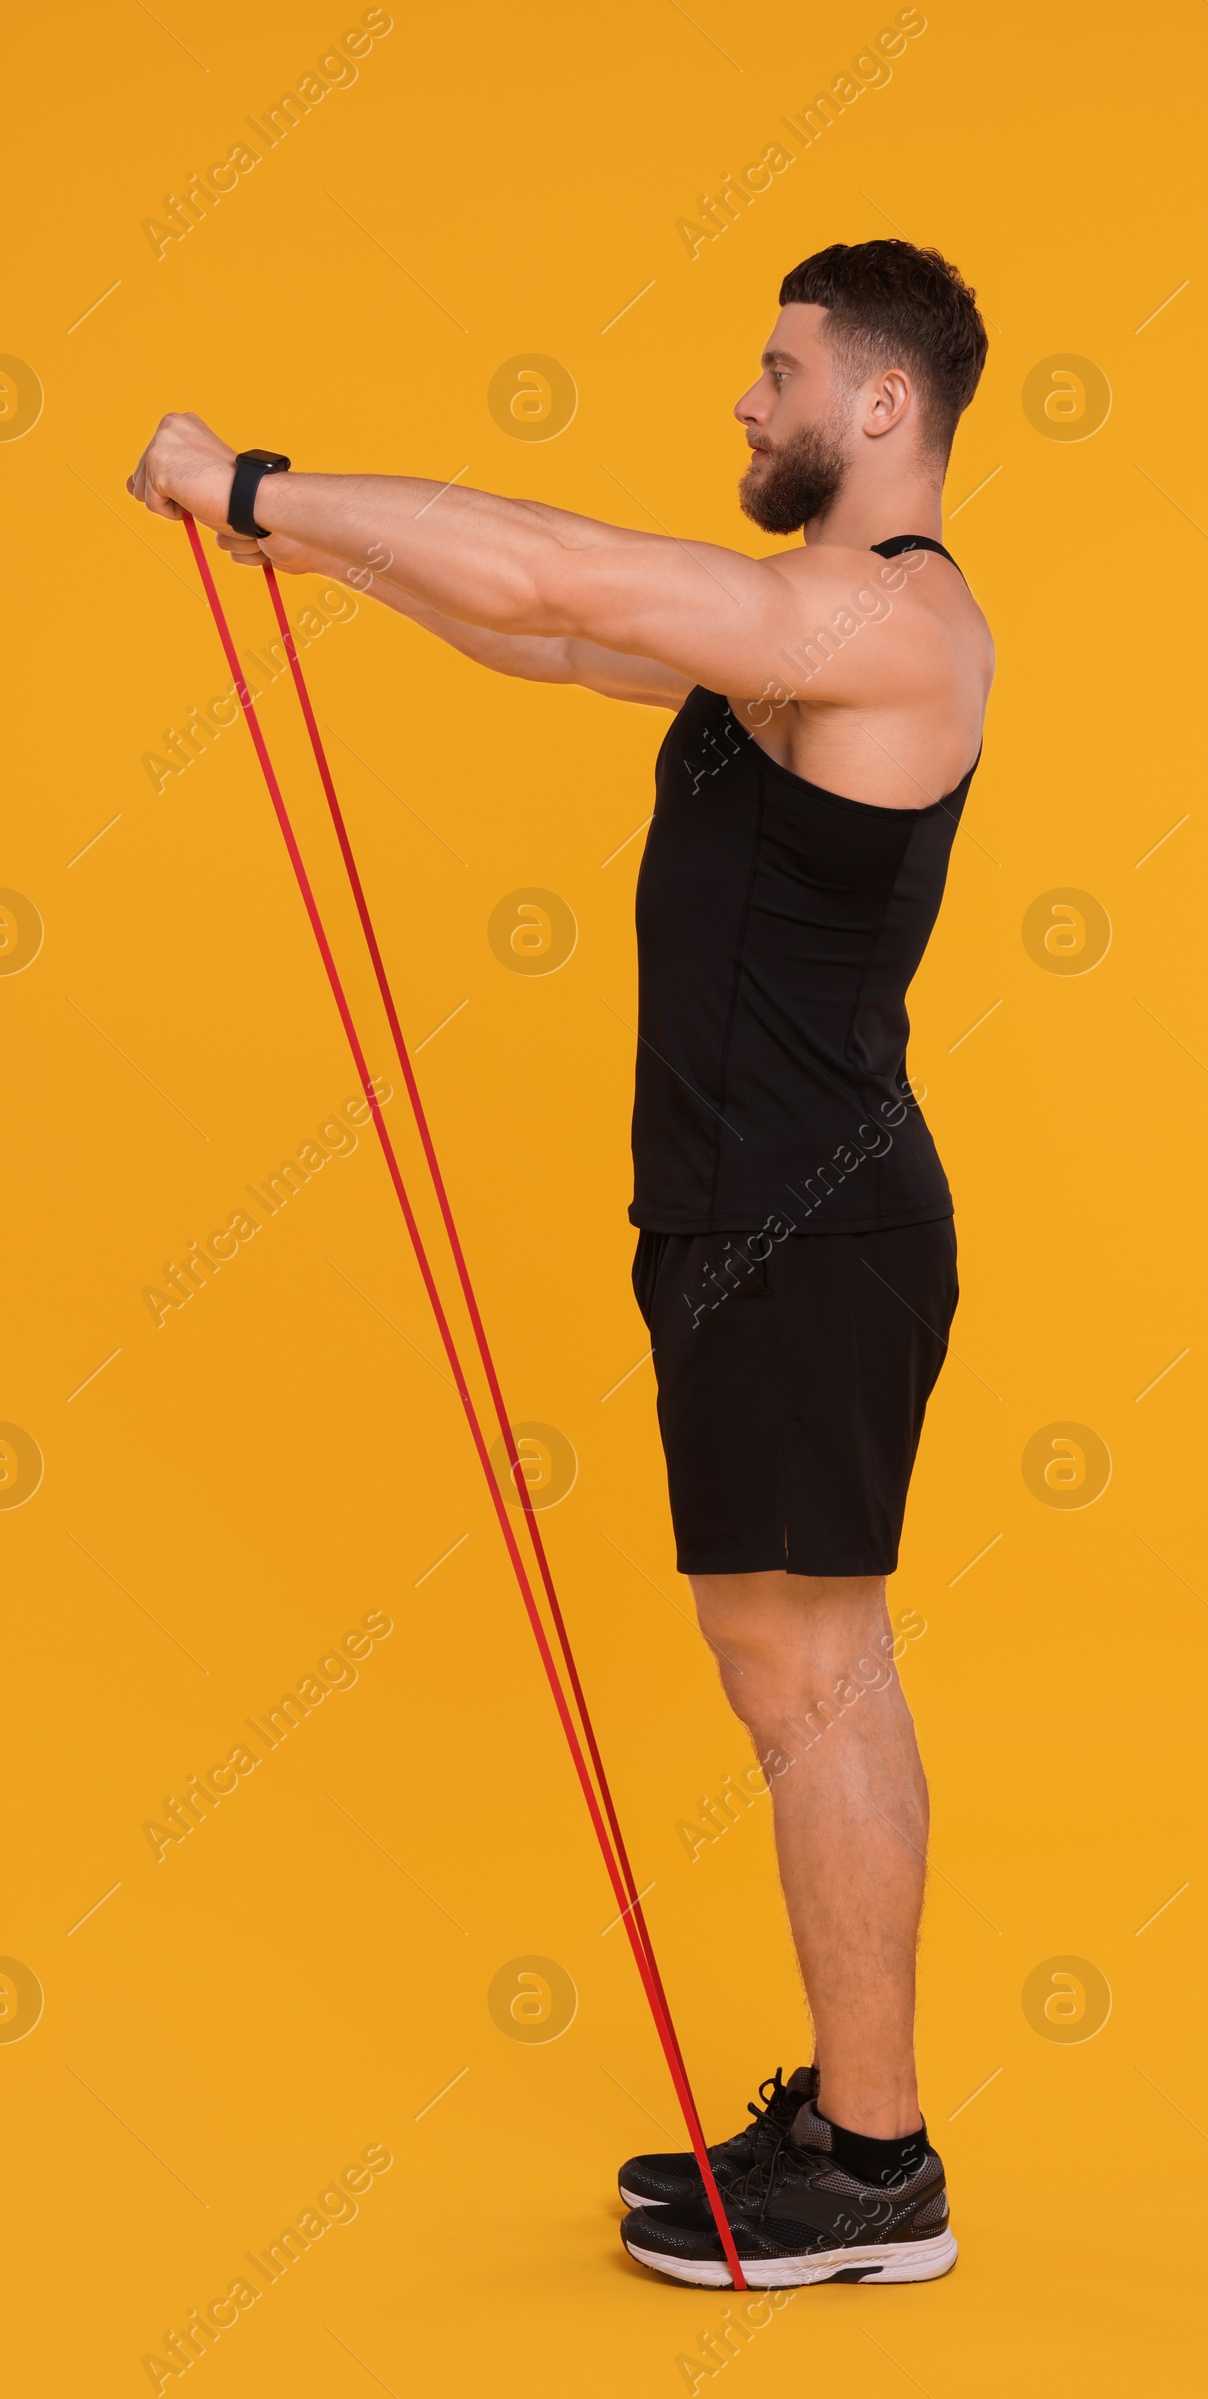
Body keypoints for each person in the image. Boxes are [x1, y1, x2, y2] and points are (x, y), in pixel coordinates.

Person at [129, 237, 993, 2288]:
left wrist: (257, 490)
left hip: (808, 1231)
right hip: (744, 1224)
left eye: (777, 370)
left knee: (809, 1671)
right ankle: (857, 2136)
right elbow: (545, 642)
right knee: (790, 1662)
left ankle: (871, 2173)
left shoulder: (874, 623)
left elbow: (563, 574)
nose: (744, 401)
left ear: (879, 409)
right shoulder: (784, 647)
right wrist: (324, 567)